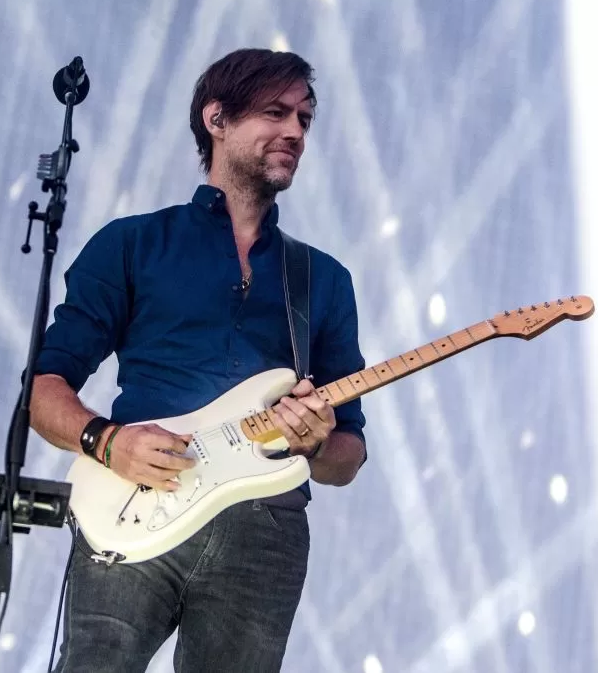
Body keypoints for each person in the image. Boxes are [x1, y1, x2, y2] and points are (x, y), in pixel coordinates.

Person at [29, 48, 368, 673]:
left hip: (265, 531)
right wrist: (107, 442)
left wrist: (318, 444)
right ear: (216, 118)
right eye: (275, 112)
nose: (295, 131)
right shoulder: (132, 244)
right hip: (134, 496)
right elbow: (44, 388)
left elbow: (347, 457)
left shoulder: (323, 278)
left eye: (305, 118)